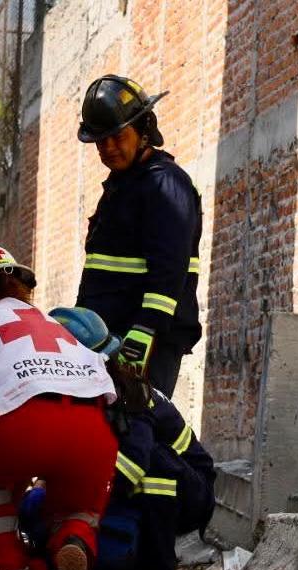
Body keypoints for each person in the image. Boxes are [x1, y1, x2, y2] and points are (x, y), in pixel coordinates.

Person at [0, 245, 118, 570]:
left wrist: (9, 470)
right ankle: (72, 542)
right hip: (95, 431)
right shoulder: (53, 323)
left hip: (24, 424)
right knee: (75, 509)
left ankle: (3, 556)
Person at [22, 307, 216, 570]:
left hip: (190, 490)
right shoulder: (86, 394)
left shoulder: (129, 395)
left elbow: (132, 465)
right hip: (142, 486)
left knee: (155, 465)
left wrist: (86, 502)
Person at [75, 74, 203, 398]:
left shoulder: (166, 184)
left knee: (138, 438)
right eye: (100, 141)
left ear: (143, 130)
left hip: (143, 342)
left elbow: (170, 266)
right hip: (105, 339)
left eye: (117, 136)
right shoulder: (123, 186)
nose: (108, 148)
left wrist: (146, 329)